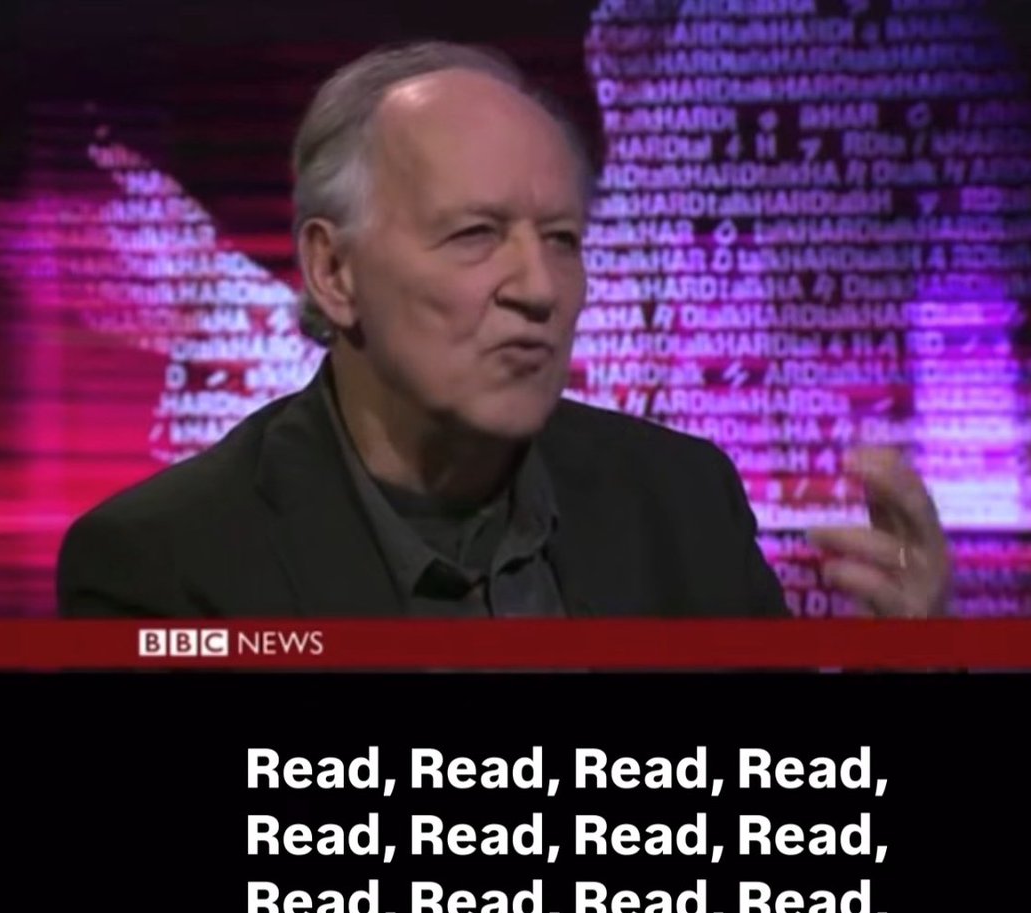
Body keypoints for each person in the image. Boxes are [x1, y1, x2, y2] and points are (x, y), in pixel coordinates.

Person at [56, 41, 951, 619]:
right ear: (334, 271)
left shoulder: (682, 502)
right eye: (476, 234)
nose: (539, 287)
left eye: (562, 240)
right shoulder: (164, 566)